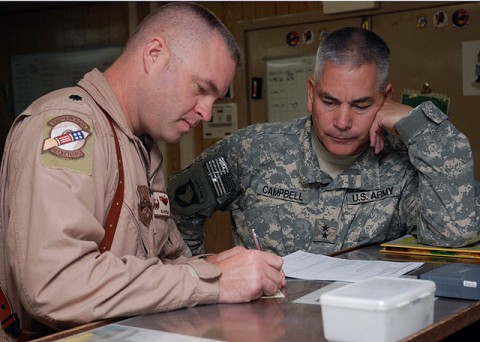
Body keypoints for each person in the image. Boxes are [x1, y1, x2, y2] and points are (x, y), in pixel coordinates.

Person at [0, 2, 285, 340]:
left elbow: (164, 263)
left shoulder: (141, 146)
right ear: (154, 54)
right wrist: (211, 280)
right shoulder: (70, 129)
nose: (207, 113)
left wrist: (224, 266)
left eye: (216, 98)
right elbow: (56, 285)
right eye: (201, 89)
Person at [169, 26, 480, 257]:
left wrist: (420, 125)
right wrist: (201, 282)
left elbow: (453, 233)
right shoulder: (251, 151)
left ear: (386, 99)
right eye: (329, 101)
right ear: (310, 93)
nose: (342, 122)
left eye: (361, 105)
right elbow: (176, 207)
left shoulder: (402, 168)